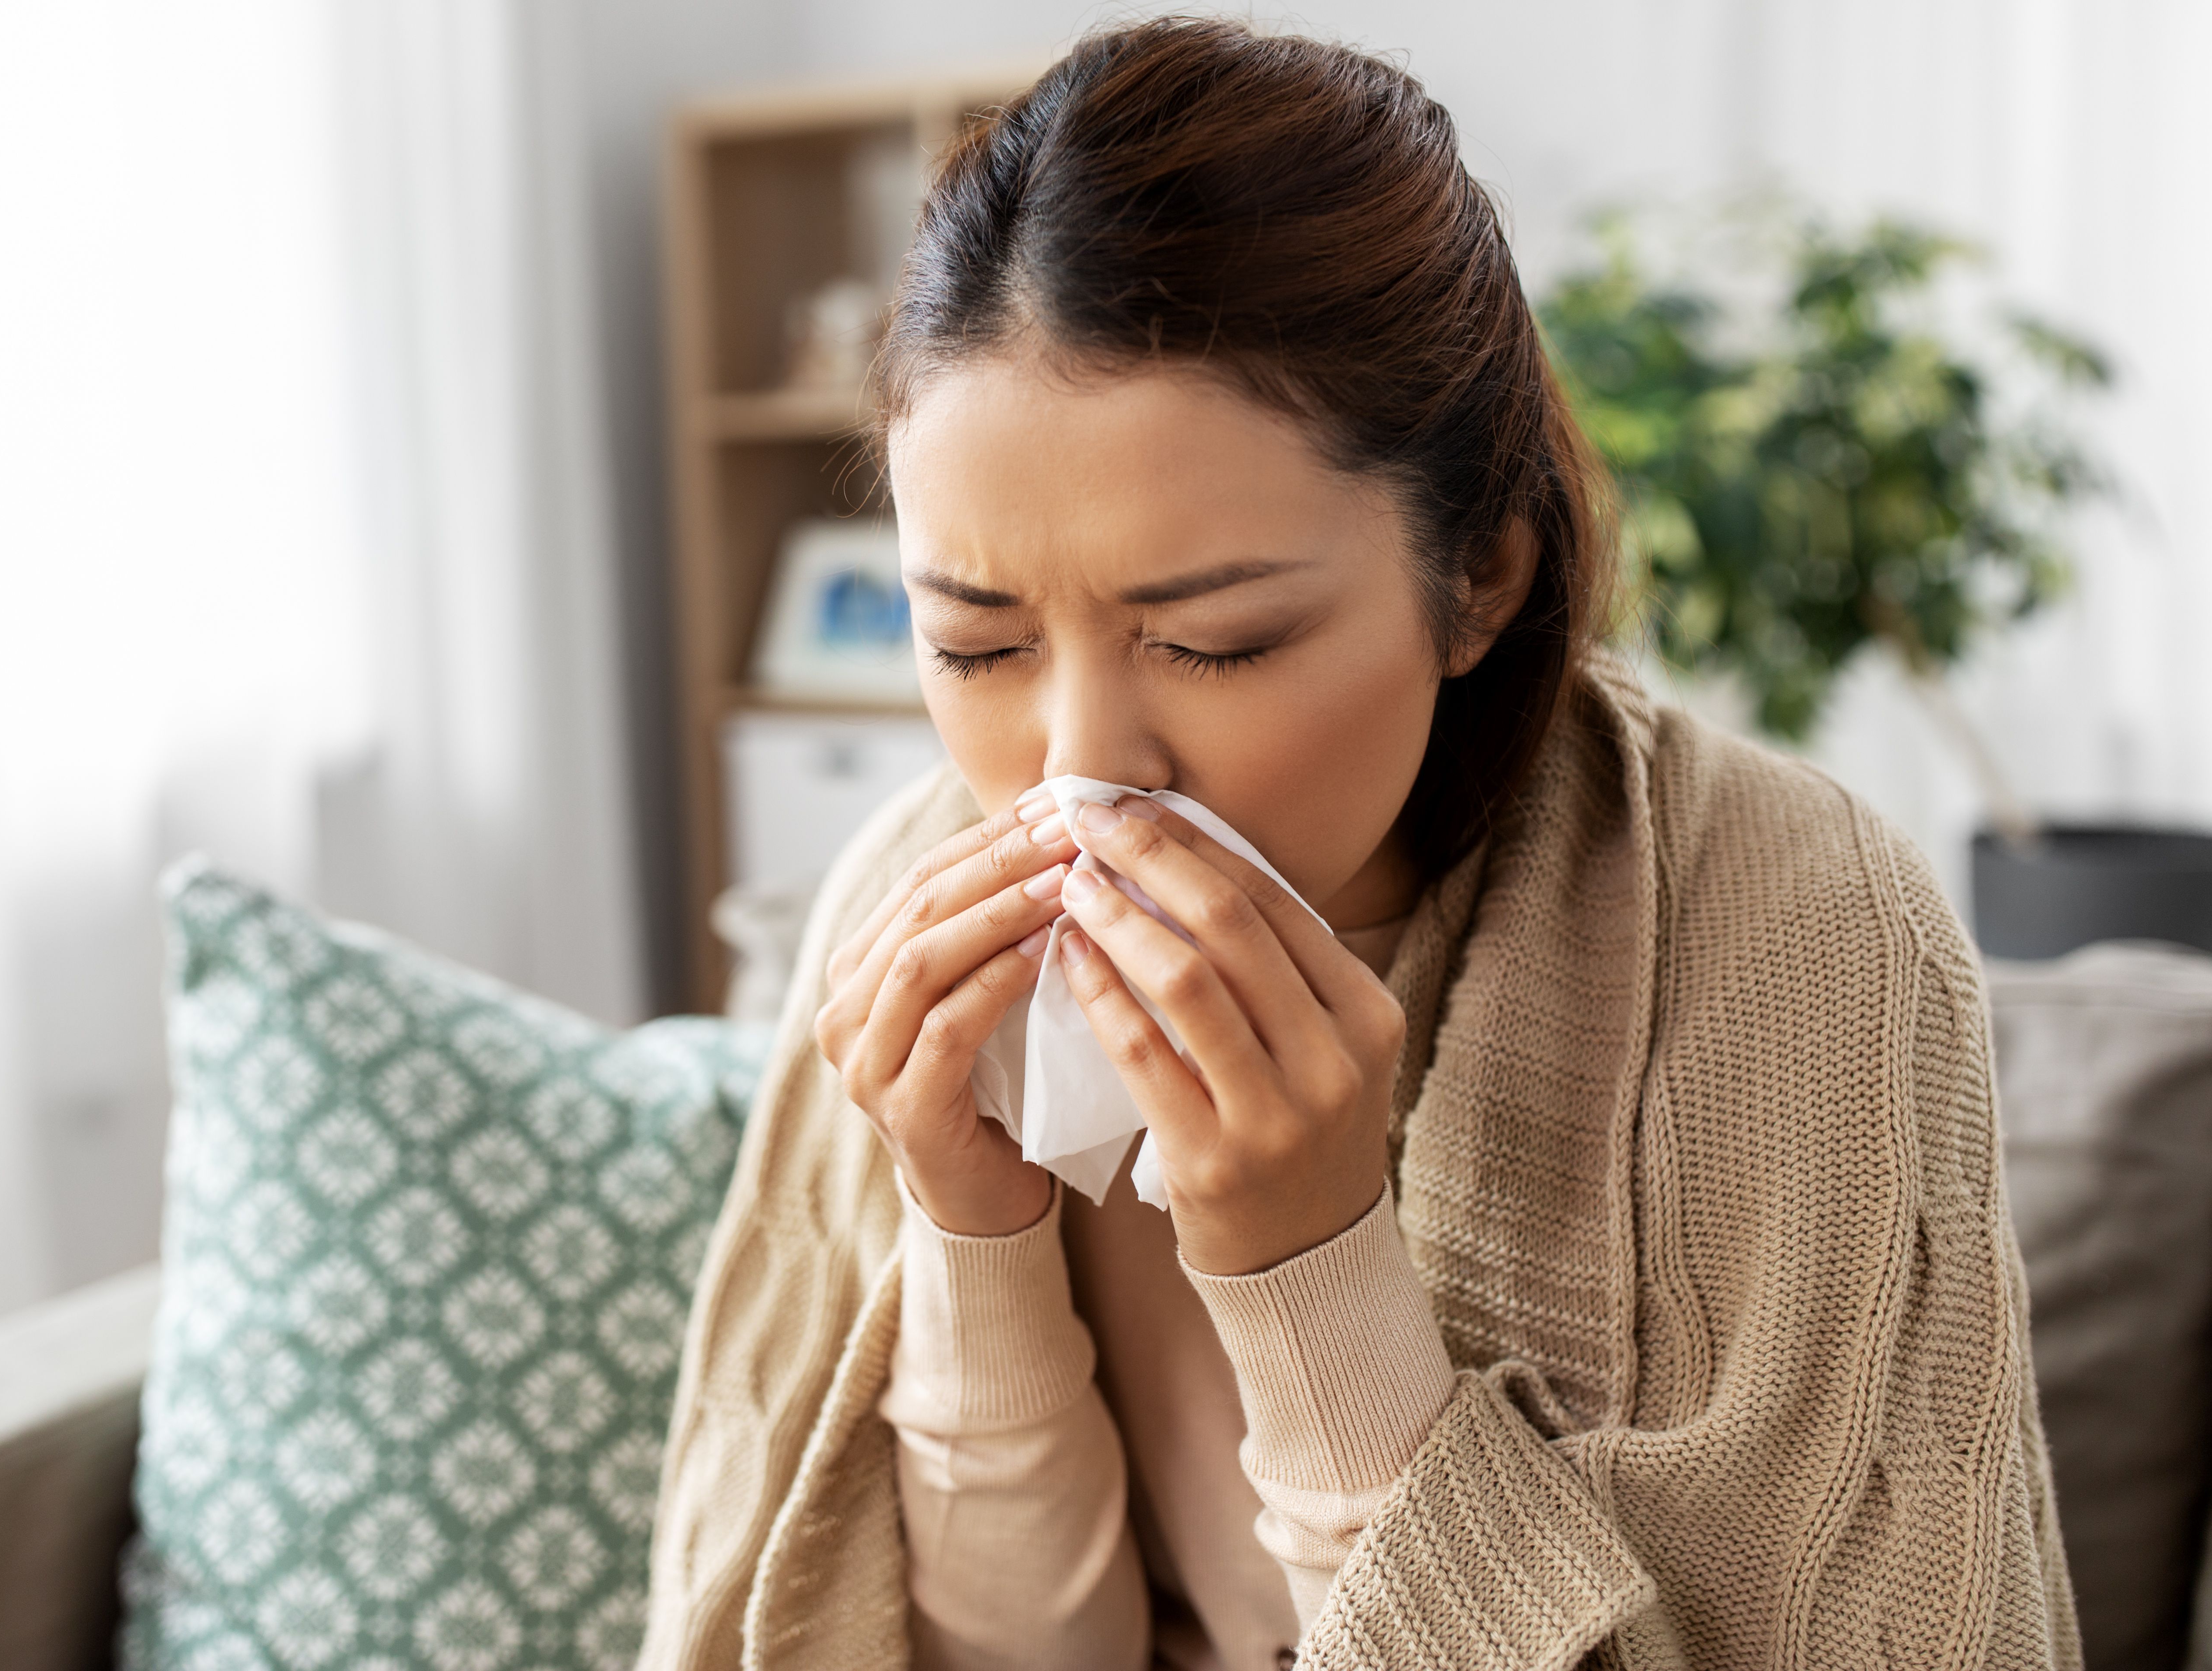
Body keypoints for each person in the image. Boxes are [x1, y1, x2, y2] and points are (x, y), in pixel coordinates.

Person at [639, 19, 2076, 1671]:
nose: (1080, 766)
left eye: (1220, 642)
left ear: (1481, 578)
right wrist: (974, 1230)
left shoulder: (1796, 925)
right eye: (976, 648)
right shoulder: (909, 896)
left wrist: (1311, 1268)